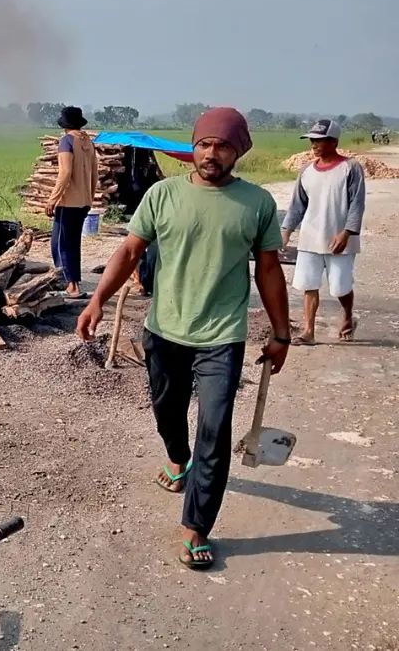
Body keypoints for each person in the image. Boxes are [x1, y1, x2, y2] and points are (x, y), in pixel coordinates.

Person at [76, 106, 290, 570]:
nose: (212, 154)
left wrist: (281, 333)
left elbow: (270, 270)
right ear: (193, 147)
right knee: (167, 409)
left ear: (239, 151)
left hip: (222, 336)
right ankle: (177, 458)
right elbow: (130, 250)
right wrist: (97, 301)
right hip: (164, 329)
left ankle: (196, 525)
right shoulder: (163, 194)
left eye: (223, 146)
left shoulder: (257, 204)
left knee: (214, 428)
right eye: (204, 144)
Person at [281, 119, 365, 345]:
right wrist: (286, 231)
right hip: (310, 237)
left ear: (334, 141)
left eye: (319, 140)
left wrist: (347, 233)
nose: (314, 145)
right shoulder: (306, 171)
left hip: (340, 240)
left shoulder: (351, 168)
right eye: (312, 140)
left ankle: (347, 315)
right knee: (309, 284)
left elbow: (357, 204)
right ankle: (308, 331)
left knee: (340, 286)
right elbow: (298, 205)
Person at [44, 106, 98, 298]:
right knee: (73, 243)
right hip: (83, 202)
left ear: (65, 125)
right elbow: (95, 174)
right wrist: (89, 198)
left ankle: (72, 287)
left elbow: (65, 173)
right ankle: (73, 282)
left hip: (68, 203)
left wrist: (52, 199)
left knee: (60, 244)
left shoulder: (66, 141)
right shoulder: (88, 142)